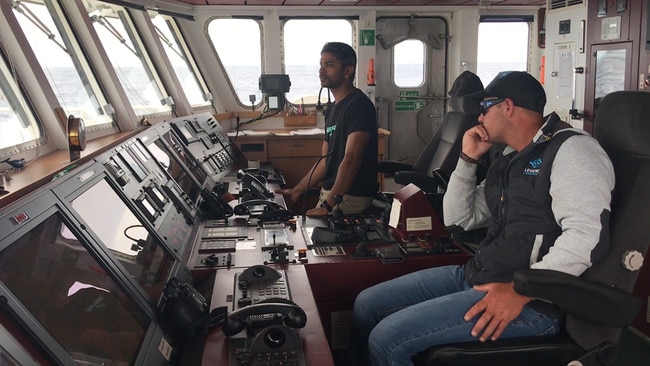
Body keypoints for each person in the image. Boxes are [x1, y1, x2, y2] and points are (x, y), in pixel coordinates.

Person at [349, 71, 614, 366]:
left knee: (388, 339)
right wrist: (468, 159)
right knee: (366, 304)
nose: (479, 115)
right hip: (478, 274)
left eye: (486, 106)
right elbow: (459, 219)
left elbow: (585, 238)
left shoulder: (573, 150)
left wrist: (520, 291)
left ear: (508, 107)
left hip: (532, 303)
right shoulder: (511, 157)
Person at [277, 42, 378, 216]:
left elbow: (351, 160)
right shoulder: (332, 108)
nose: (321, 70)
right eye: (321, 64)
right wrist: (297, 191)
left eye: (329, 65)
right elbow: (325, 161)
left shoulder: (359, 106)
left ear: (347, 71)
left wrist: (328, 206)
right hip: (332, 194)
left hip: (350, 196)